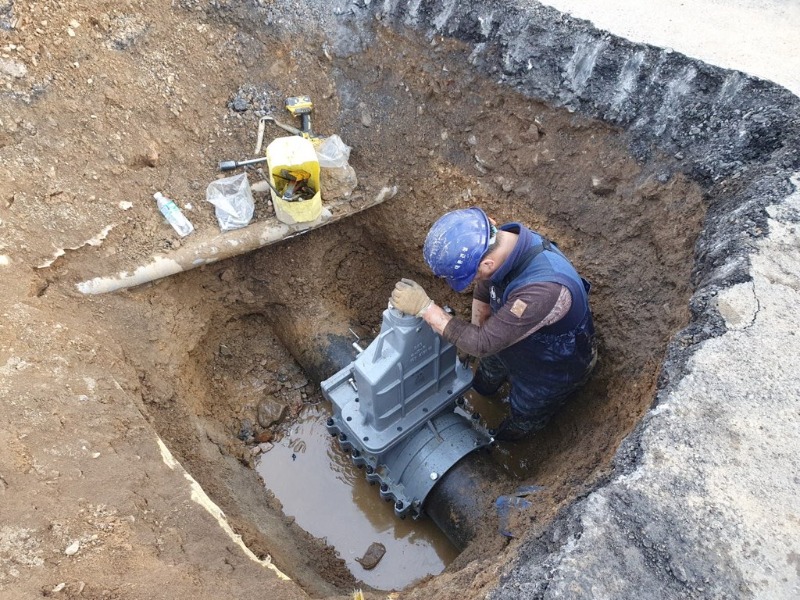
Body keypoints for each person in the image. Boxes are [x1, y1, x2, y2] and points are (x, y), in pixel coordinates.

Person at [390, 207, 596, 441]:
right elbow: (486, 285)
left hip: (551, 365)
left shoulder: (544, 290)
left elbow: (483, 343)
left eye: (472, 275)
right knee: (486, 373)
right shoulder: (504, 244)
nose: (473, 281)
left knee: (526, 408)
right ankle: (482, 392)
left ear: (487, 263)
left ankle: (508, 437)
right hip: (507, 336)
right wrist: (478, 326)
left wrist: (425, 308)